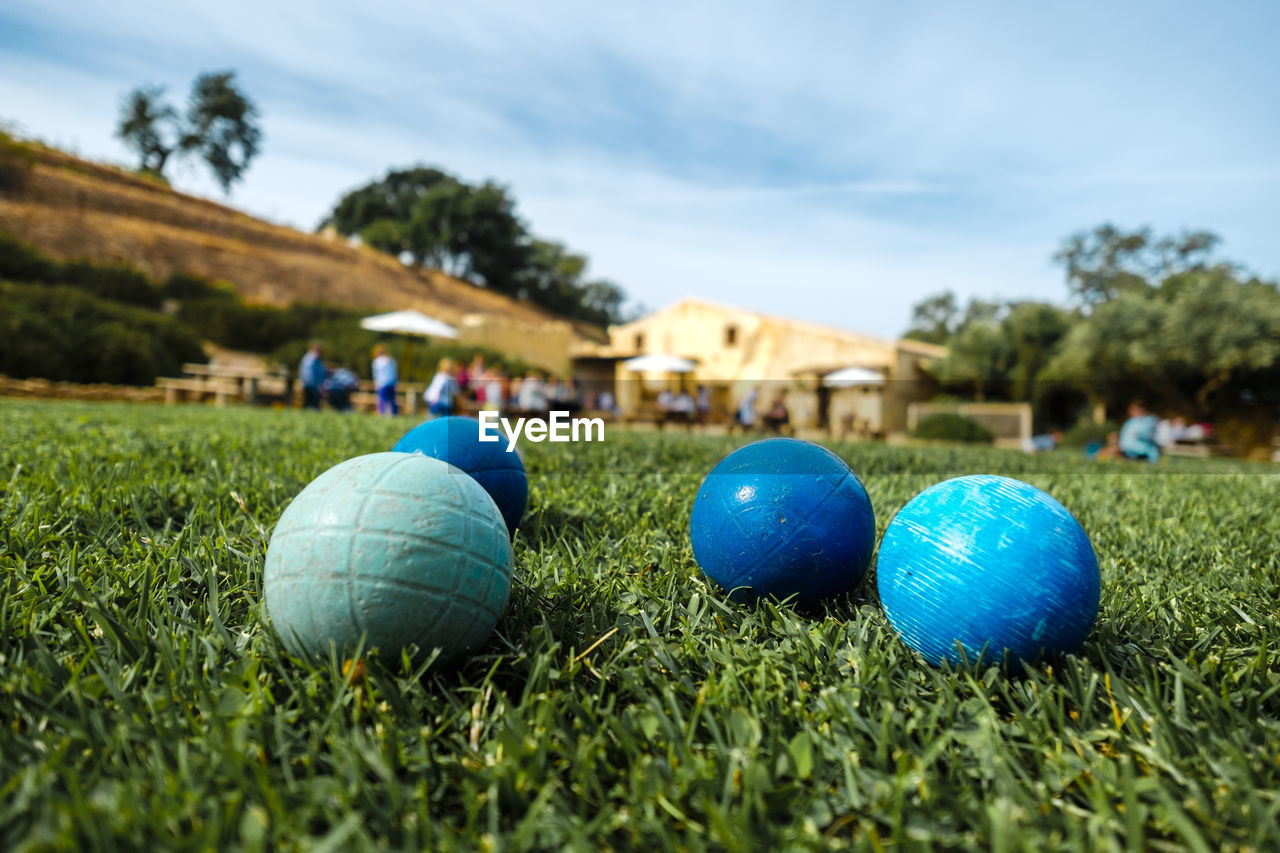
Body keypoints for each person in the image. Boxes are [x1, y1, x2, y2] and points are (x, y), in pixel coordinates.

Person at [298, 342, 327, 410]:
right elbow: (314, 373)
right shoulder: (313, 359)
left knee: (308, 401)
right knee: (313, 401)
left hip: (308, 383)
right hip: (312, 383)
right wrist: (319, 384)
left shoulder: (307, 358)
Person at [371, 345, 398, 417]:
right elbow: (394, 372)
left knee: (382, 400)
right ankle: (393, 415)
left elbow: (376, 374)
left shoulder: (377, 361)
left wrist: (376, 384)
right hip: (391, 383)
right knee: (392, 400)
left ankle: (381, 414)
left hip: (382, 383)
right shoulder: (390, 359)